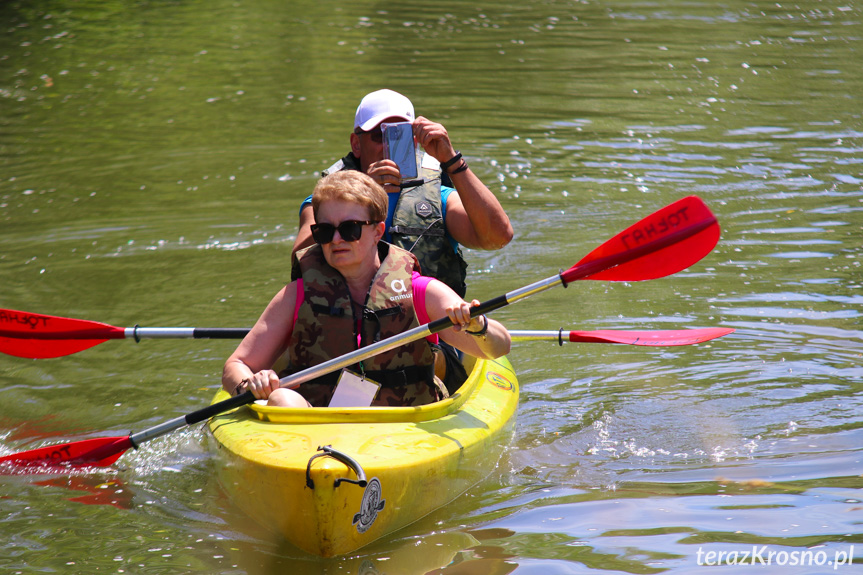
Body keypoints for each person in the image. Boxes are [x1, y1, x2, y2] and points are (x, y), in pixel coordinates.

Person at [223, 171, 510, 408]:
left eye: (350, 229)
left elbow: (498, 347)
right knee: (282, 399)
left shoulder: (418, 290)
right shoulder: (297, 295)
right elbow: (235, 365)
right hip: (316, 429)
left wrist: (477, 324)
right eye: (325, 230)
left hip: (402, 424)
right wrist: (250, 384)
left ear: (377, 230)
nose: (336, 239)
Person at [291, 89, 513, 393]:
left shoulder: (439, 196)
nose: (388, 147)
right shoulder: (329, 202)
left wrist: (451, 160)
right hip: (339, 339)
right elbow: (300, 264)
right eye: (379, 136)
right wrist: (365, 195)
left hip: (427, 337)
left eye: (400, 135)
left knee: (416, 353)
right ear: (356, 144)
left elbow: (498, 238)